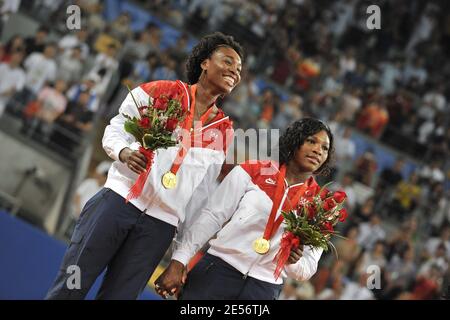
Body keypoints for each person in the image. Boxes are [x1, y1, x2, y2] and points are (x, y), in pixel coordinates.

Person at [45, 32, 244, 300]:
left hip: (159, 227)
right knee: (70, 288)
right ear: (205, 63)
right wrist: (124, 152)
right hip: (118, 202)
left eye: (239, 69)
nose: (235, 71)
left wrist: (180, 258)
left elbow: (201, 197)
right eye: (228, 62)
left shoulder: (223, 131)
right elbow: (115, 128)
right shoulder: (161, 91)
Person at [155, 118, 334, 300]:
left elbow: (306, 270)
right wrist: (180, 259)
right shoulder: (253, 170)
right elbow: (212, 216)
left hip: (263, 290)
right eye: (311, 141)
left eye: (325, 148)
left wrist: (292, 262)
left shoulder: (320, 205)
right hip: (217, 272)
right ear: (295, 140)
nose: (318, 150)